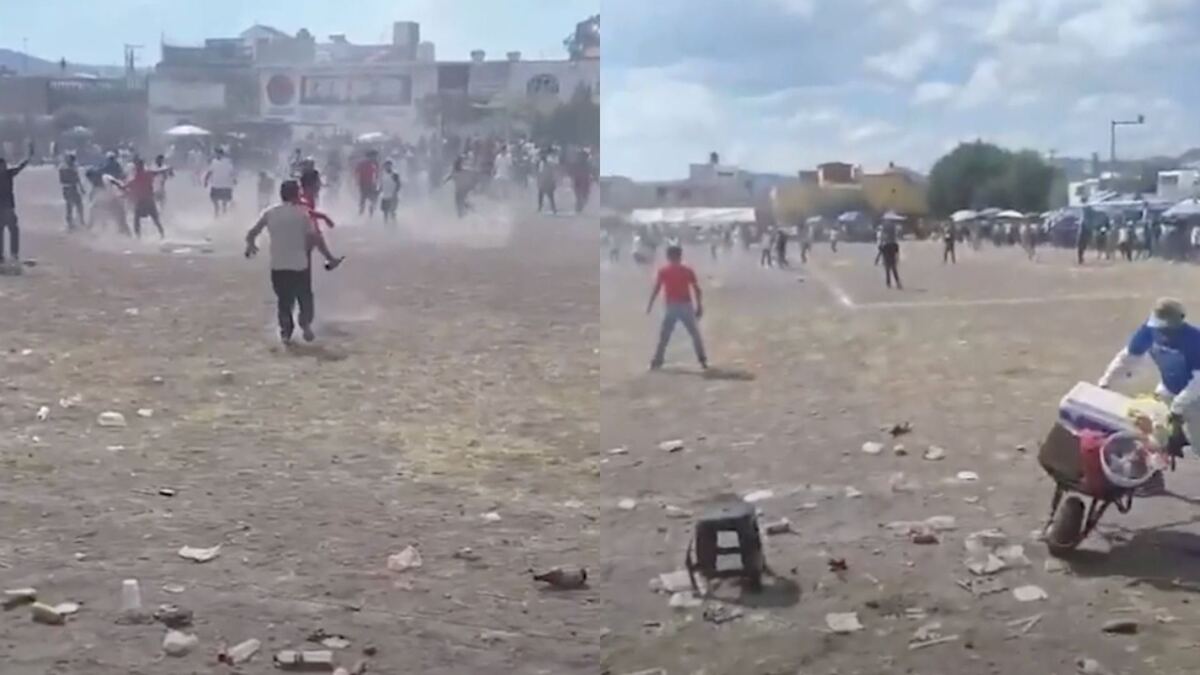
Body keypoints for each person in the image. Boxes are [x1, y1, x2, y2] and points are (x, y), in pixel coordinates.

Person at [1099, 298, 1200, 491]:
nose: (1162, 333)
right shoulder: (1149, 331)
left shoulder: (1196, 341)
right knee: (1151, 430)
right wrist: (1106, 382)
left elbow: (1199, 381)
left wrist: (1179, 407)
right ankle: (1152, 478)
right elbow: (1128, 357)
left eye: (1167, 329)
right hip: (1170, 389)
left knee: (1198, 443)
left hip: (1196, 397)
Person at [244, 180, 341, 345]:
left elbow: (252, 233)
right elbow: (315, 238)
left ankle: (286, 333)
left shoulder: (270, 213)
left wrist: (251, 246)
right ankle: (305, 323)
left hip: (278, 266)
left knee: (284, 300)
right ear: (297, 194)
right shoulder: (303, 214)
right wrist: (329, 257)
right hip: (299, 265)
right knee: (305, 298)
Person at [647, 245, 707, 371]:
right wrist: (699, 306)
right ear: (680, 256)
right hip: (686, 305)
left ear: (668, 256)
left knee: (664, 335)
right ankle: (702, 360)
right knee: (694, 334)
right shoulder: (687, 270)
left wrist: (650, 304)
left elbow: (657, 289)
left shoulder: (663, 271)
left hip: (671, 307)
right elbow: (697, 290)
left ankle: (657, 361)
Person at [0, 141, 33, 273]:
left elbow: (21, 166)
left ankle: (7, 256)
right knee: (12, 230)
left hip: (8, 208)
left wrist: (29, 156)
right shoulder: (8, 174)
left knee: (9, 231)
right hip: (7, 208)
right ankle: (11, 255)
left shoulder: (9, 174)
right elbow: (21, 166)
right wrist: (29, 156)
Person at [127, 157, 169, 239]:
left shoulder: (139, 176)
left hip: (143, 201)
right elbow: (157, 172)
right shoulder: (146, 174)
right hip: (148, 200)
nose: (136, 168)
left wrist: (121, 186)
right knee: (155, 219)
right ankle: (162, 234)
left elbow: (129, 185)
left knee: (137, 219)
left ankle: (139, 237)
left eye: (137, 166)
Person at [204, 147, 236, 217]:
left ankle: (220, 215)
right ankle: (219, 215)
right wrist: (205, 181)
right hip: (223, 186)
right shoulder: (227, 162)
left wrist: (206, 181)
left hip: (219, 186)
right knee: (219, 203)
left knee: (221, 203)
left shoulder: (215, 162)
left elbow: (209, 173)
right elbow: (232, 173)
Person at [59, 152, 85, 232]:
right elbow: (75, 178)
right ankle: (72, 222)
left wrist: (81, 188)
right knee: (71, 205)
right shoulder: (66, 168)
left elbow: (77, 179)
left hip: (70, 188)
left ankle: (78, 221)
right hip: (69, 188)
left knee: (76, 205)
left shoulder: (66, 167)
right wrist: (81, 188)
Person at [355, 149, 380, 218]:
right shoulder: (362, 163)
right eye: (373, 156)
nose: (374, 158)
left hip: (372, 184)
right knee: (363, 199)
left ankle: (370, 215)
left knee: (373, 200)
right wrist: (357, 182)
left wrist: (377, 183)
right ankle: (361, 213)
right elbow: (357, 172)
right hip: (363, 184)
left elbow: (377, 174)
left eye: (375, 156)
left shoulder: (376, 164)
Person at [879, 218, 902, 289]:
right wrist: (897, 258)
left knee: (888, 270)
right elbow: (897, 252)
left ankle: (888, 283)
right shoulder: (894, 243)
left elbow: (881, 250)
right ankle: (897, 282)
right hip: (891, 255)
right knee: (894, 269)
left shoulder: (884, 244)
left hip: (887, 255)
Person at [380, 159, 402, 225]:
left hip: (393, 196)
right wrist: (379, 191)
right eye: (386, 165)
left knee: (392, 211)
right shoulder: (383, 174)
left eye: (389, 165)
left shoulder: (394, 174)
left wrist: (395, 193)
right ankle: (385, 225)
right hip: (385, 196)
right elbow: (382, 184)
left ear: (391, 166)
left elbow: (399, 184)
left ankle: (394, 225)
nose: (387, 167)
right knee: (385, 212)